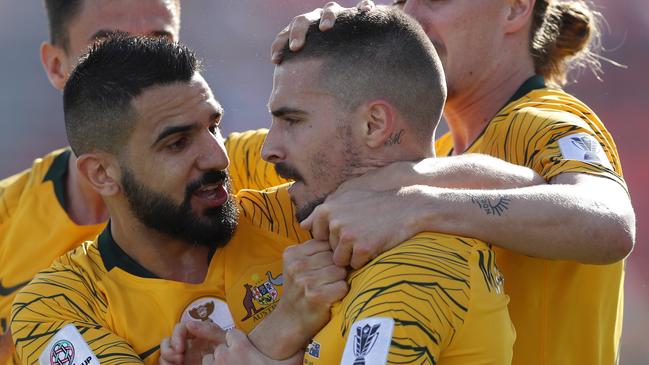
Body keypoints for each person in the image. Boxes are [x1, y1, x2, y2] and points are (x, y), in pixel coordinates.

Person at [273, 1, 636, 364]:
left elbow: (610, 222)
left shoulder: (545, 120)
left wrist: (416, 206)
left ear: (515, 9)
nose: (410, 17)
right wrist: (339, 44)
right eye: (399, 2)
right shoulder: (438, 154)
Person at [164, 8, 516, 364]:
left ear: (374, 125)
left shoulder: (416, 272)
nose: (270, 149)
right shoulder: (316, 206)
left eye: (293, 120)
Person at [10, 36, 345, 365]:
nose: (218, 158)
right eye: (177, 143)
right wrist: (278, 332)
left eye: (214, 127)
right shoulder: (55, 306)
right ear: (102, 174)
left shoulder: (297, 217)